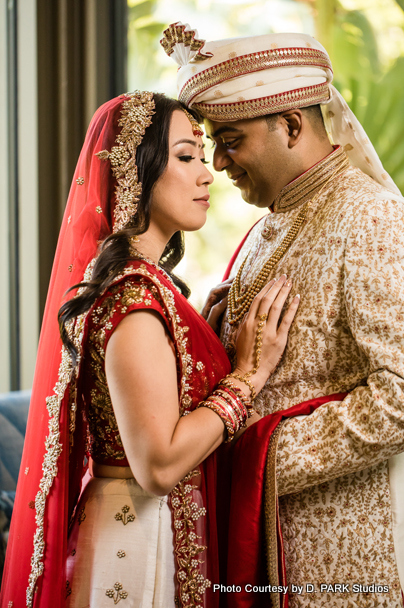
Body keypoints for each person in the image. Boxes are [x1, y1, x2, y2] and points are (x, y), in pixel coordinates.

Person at [0, 91, 300, 608]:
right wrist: (249, 376)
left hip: (145, 532)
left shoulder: (144, 289)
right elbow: (158, 466)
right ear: (136, 173)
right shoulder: (135, 300)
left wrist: (201, 336)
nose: (207, 175)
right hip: (137, 550)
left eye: (203, 158)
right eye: (186, 157)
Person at [161, 23, 404, 608]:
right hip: (260, 546)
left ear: (291, 125)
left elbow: (400, 393)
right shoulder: (267, 225)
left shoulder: (370, 219)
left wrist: (262, 458)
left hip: (338, 556)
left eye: (230, 140)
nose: (217, 162)